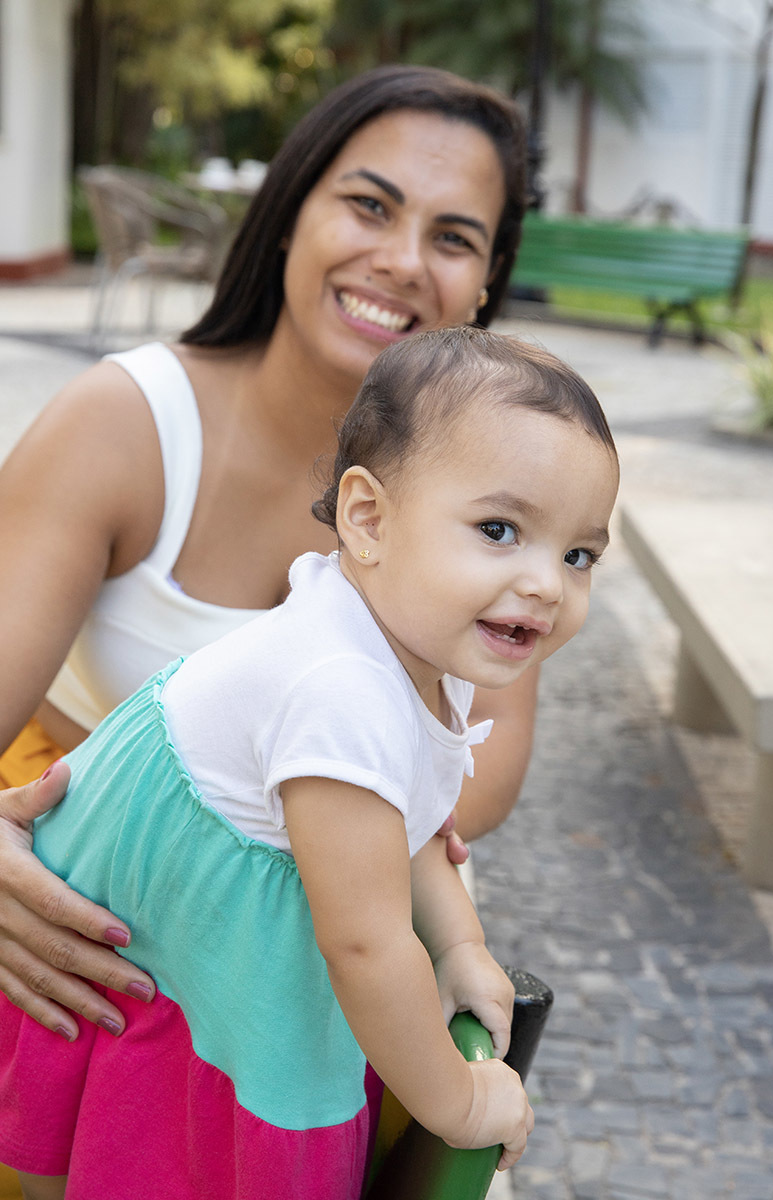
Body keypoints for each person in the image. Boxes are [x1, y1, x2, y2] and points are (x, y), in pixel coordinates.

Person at [0, 64, 540, 1068]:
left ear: (483, 284)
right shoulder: (123, 424)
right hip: (89, 957)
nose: (401, 259)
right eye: (368, 205)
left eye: (453, 237)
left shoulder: (499, 494)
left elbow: (486, 777)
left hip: (337, 988)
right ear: (290, 213)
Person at [0, 326, 619, 1200]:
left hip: (207, 943)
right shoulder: (341, 688)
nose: (548, 584)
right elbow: (364, 942)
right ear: (368, 519)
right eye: (498, 529)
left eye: (578, 554)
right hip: (159, 973)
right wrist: (455, 1102)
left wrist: (459, 948)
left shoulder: (403, 644)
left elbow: (409, 824)